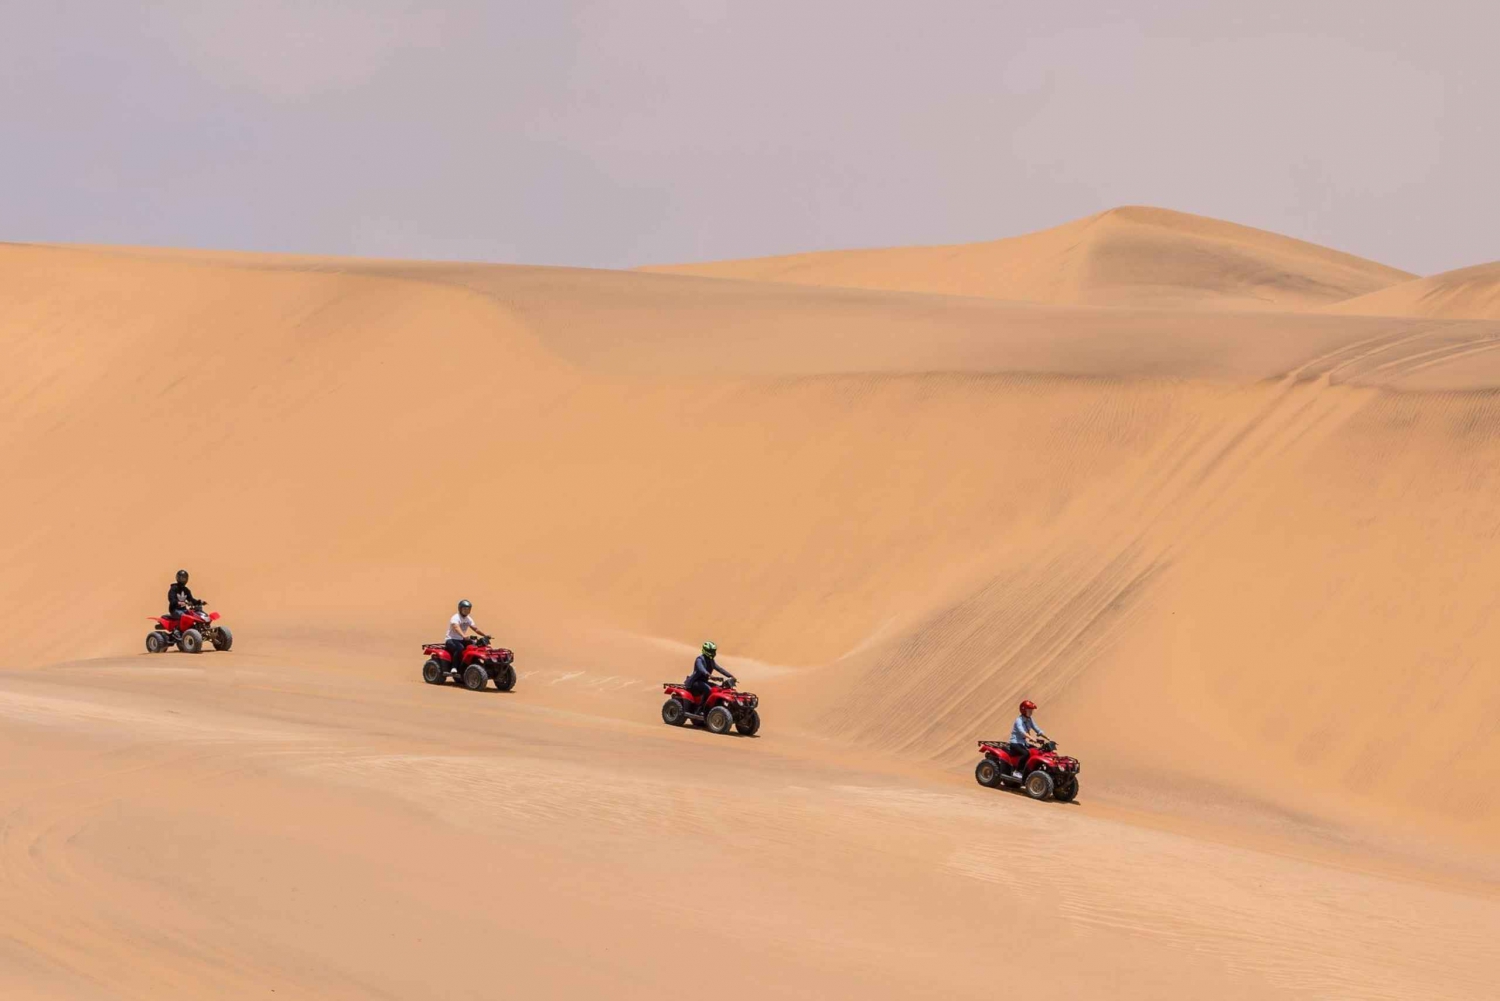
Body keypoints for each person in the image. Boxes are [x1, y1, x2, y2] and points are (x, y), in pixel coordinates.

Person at [685, 641, 736, 712]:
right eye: (711, 651)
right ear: (706, 650)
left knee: (718, 689)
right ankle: (701, 708)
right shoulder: (699, 659)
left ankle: (714, 706)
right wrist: (709, 675)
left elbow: (719, 669)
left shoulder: (711, 661)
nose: (713, 653)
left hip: (703, 682)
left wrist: (730, 676)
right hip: (695, 682)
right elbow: (701, 669)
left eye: (714, 651)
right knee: (708, 690)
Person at [1007, 699, 1047, 775]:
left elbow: (1036, 728)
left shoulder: (1029, 719)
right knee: (1026, 753)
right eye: (1029, 710)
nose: (1031, 712)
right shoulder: (1019, 720)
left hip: (1023, 743)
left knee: (1035, 750)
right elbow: (1022, 732)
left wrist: (1046, 737)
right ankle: (1017, 771)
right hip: (1015, 743)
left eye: (1031, 710)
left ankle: (1030, 769)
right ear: (1024, 710)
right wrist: (1031, 738)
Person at [445, 600, 488, 669]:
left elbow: (476, 629)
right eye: (464, 609)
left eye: (468, 609)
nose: (466, 611)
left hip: (461, 640)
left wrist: (485, 635)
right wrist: (463, 635)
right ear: (460, 609)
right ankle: (454, 667)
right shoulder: (455, 618)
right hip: (451, 639)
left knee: (474, 645)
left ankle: (468, 663)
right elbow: (456, 627)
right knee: (459, 648)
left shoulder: (468, 619)